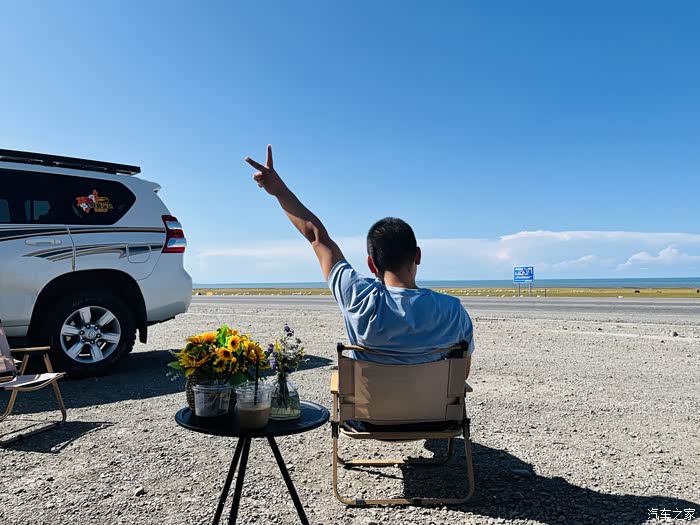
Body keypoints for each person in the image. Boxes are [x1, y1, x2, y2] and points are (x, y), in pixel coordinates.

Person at [245, 145, 474, 376]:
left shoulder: (358, 297)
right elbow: (460, 374)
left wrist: (279, 191)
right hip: (432, 401)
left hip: (368, 401)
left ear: (371, 264)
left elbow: (316, 237)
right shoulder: (453, 311)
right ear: (418, 256)